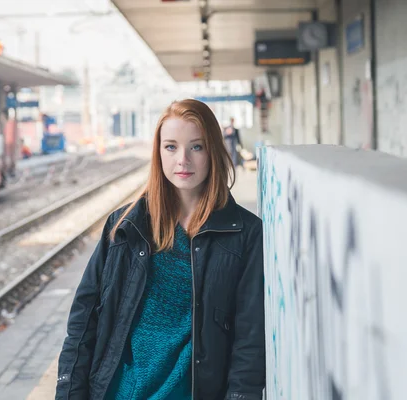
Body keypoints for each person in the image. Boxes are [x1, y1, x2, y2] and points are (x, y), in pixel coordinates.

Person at [55, 99, 265, 400]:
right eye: (171, 147)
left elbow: (250, 342)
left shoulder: (244, 234)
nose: (183, 160)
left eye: (197, 146)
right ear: (158, 153)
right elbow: (84, 319)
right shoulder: (126, 226)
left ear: (214, 152)